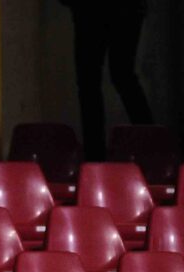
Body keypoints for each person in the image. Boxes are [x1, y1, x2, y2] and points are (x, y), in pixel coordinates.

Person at [65, 0, 153, 160]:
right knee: (121, 77)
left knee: (91, 82)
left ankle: (95, 155)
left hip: (92, 11)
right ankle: (150, 144)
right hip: (120, 10)